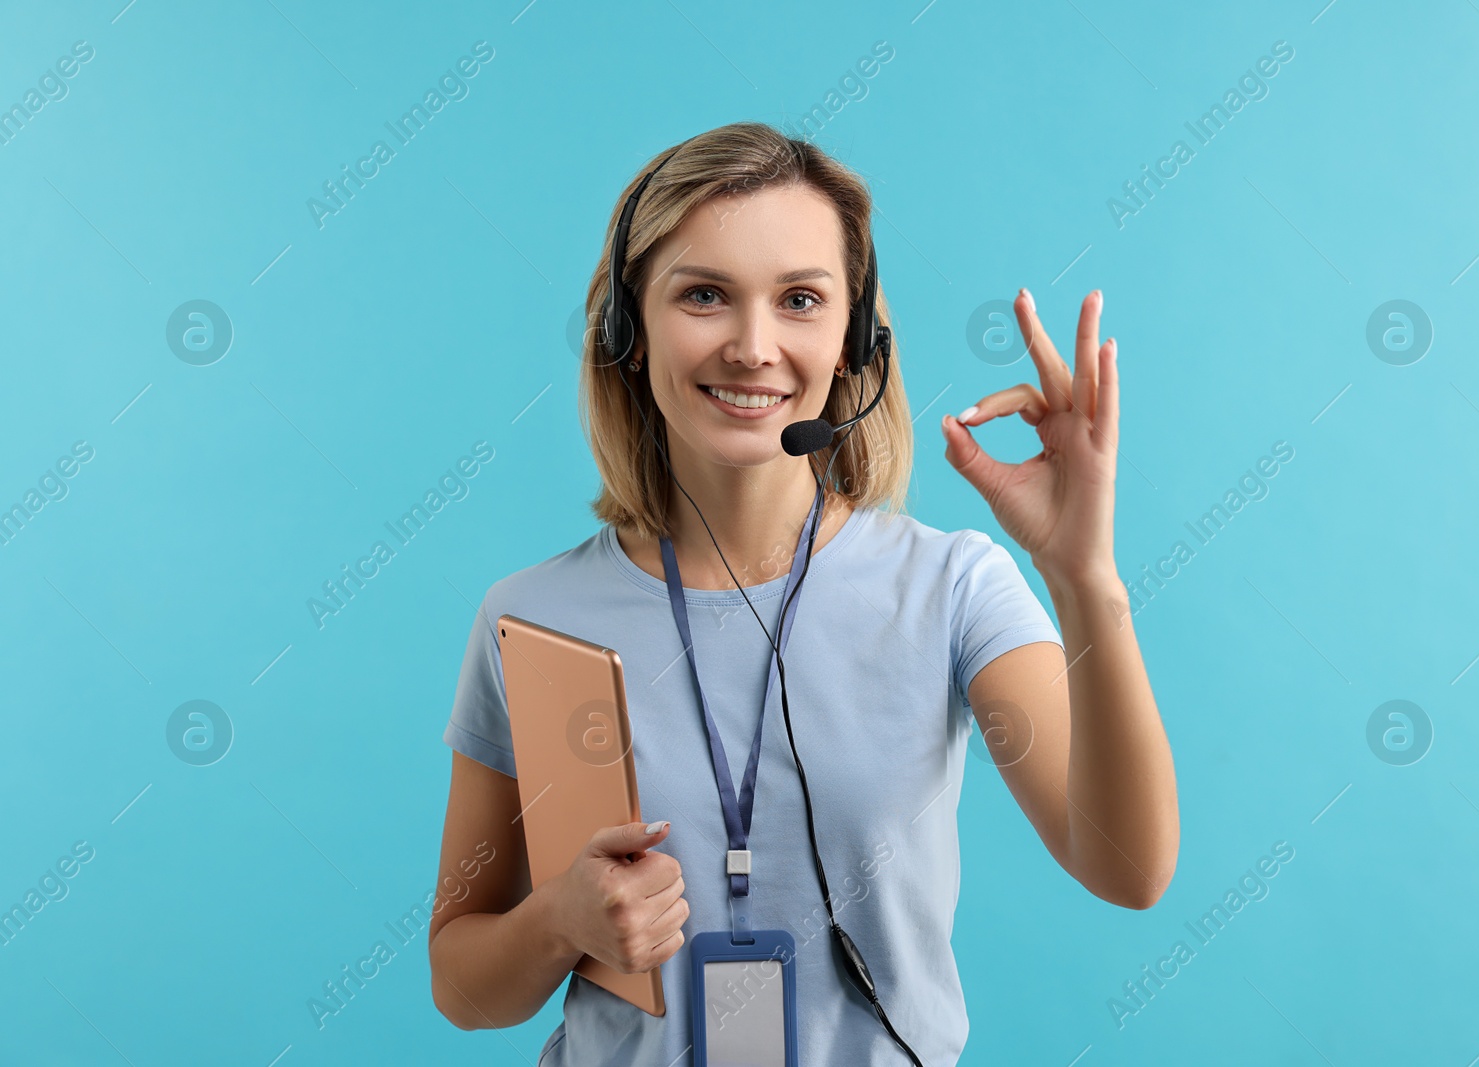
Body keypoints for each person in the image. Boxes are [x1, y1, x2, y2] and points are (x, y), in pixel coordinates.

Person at [427, 121, 1178, 1065]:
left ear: (854, 337)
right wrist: (557, 922)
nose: (752, 346)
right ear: (627, 325)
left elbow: (1128, 864)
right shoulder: (528, 617)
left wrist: (1083, 577)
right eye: (704, 294)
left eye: (800, 299)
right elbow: (460, 982)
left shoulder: (951, 588)